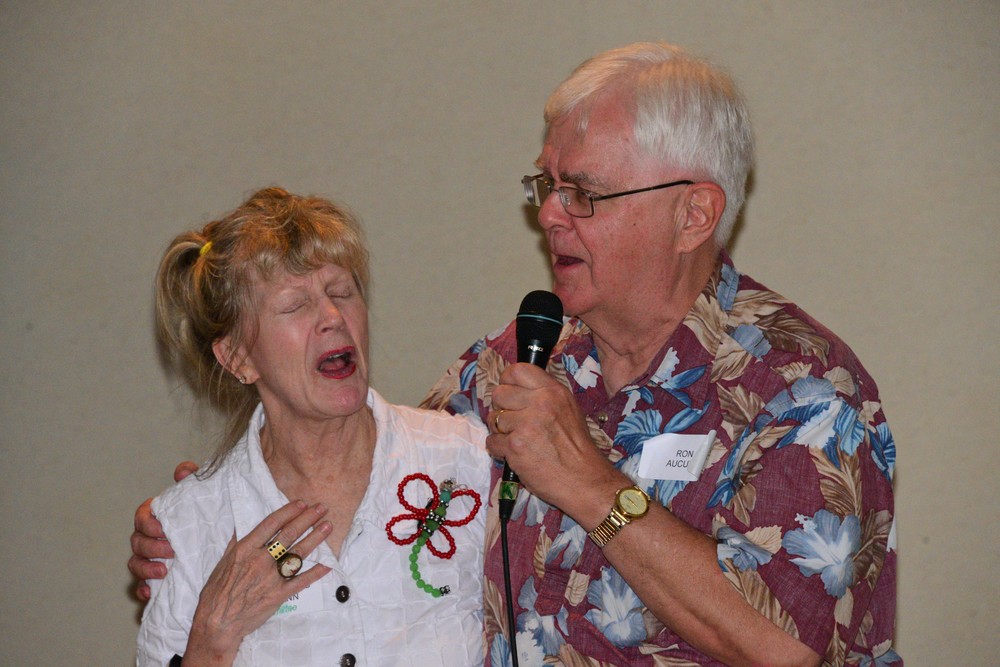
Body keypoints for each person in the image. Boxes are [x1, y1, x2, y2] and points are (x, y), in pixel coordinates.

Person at [132, 42, 899, 667]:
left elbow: (784, 645)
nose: (550, 215)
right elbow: (373, 466)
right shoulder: (517, 360)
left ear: (693, 213)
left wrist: (592, 486)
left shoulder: (801, 388)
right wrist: (205, 514)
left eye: (584, 193)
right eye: (547, 185)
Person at [135, 187, 490, 666]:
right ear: (237, 357)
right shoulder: (189, 525)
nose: (332, 317)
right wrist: (212, 637)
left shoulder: (467, 460)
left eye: (342, 292)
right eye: (295, 305)